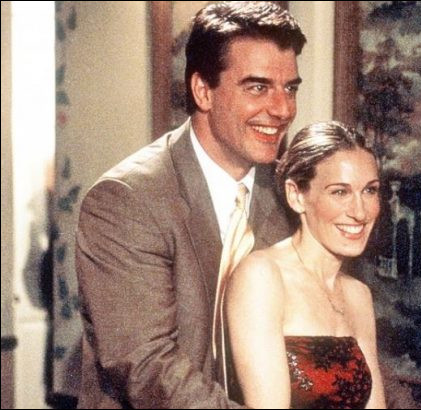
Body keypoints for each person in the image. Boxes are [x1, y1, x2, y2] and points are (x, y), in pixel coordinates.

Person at [75, 1, 306, 408]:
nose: (282, 109)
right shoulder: (125, 200)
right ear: (203, 90)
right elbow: (149, 368)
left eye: (290, 88)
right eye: (258, 87)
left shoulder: (290, 194)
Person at [226, 121, 387, 409]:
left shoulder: (358, 294)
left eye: (370, 190)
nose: (360, 212)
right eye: (340, 192)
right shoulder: (262, 276)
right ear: (296, 195)